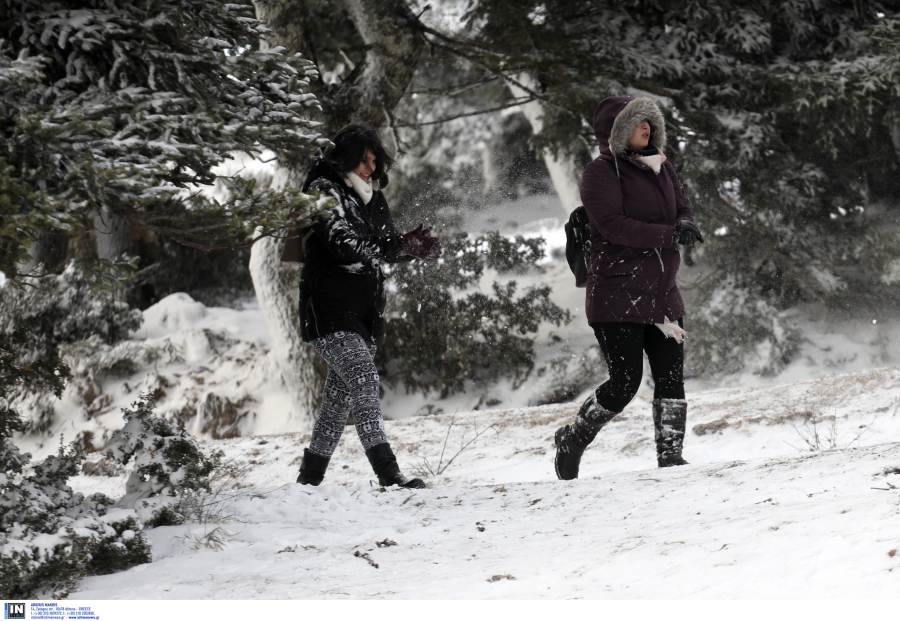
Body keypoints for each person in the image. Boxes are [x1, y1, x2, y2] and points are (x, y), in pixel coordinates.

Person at [554, 96, 703, 480]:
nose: (647, 127)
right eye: (638, 121)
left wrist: (684, 223)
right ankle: (573, 439)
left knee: (671, 376)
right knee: (625, 383)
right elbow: (613, 226)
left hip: (662, 290)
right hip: (616, 293)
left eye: (650, 121)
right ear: (617, 130)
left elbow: (682, 206)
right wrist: (669, 234)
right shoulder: (600, 173)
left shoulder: (662, 167)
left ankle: (671, 459)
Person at [295, 123, 442, 489]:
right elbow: (344, 244)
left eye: (375, 161)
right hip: (327, 310)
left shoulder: (371, 194)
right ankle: (388, 474)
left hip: (366, 313)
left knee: (336, 402)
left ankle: (308, 482)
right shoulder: (321, 191)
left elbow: (386, 245)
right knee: (362, 379)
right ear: (343, 157)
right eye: (363, 160)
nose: (370, 168)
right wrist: (394, 245)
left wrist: (411, 248)